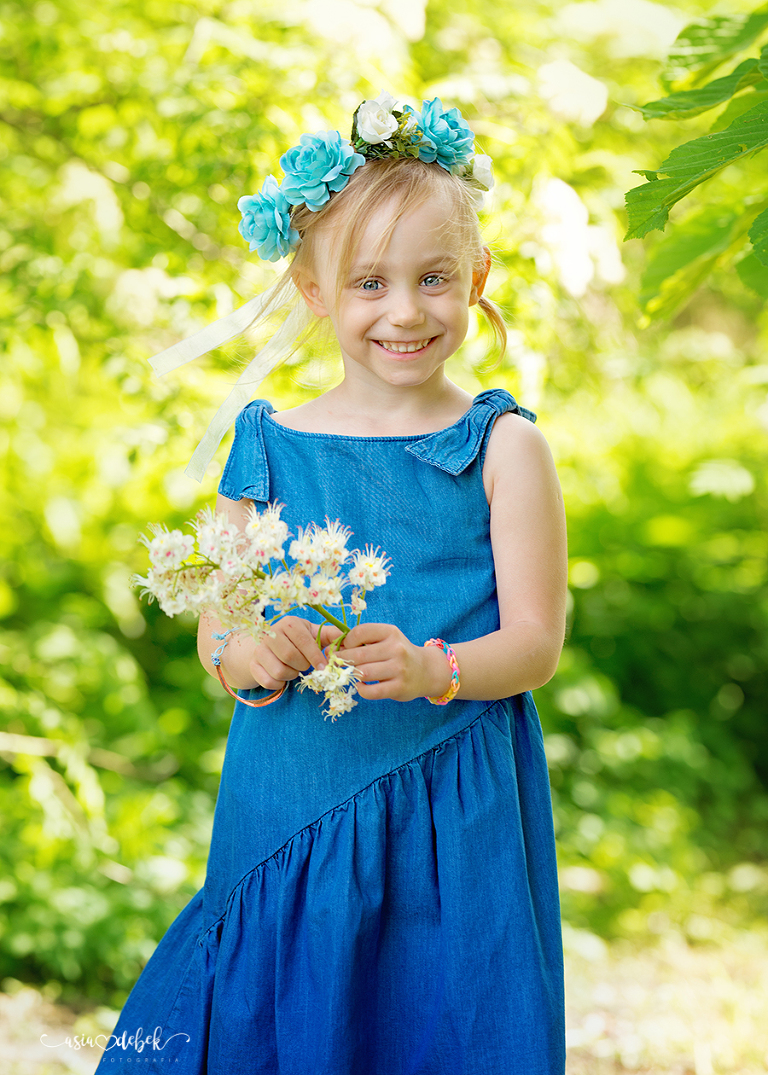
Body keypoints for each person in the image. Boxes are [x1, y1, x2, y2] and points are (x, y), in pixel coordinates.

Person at [97, 92, 568, 1074]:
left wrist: (438, 665)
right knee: (287, 1015)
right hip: (292, 788)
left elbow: (535, 640)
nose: (405, 310)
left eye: (435, 278)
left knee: (436, 1016)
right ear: (314, 290)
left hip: (451, 801)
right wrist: (243, 649)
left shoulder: (503, 446)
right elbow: (219, 627)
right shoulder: (267, 443)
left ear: (477, 278)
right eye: (368, 283)